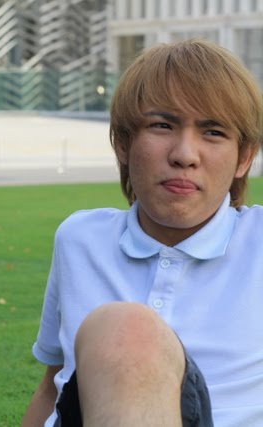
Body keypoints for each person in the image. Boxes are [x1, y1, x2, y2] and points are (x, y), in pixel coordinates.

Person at [21, 39, 263, 427]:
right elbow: (53, 385)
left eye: (213, 132)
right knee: (124, 329)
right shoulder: (80, 239)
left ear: (244, 157)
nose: (184, 155)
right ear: (122, 142)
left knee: (127, 329)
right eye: (162, 126)